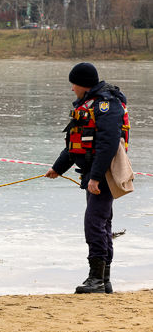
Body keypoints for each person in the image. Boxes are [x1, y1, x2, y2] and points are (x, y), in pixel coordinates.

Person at [45, 62, 129, 294]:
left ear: (82, 84)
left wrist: (96, 177)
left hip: (103, 174)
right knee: (102, 224)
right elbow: (76, 143)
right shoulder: (87, 105)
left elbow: (107, 144)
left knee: (94, 224)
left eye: (73, 83)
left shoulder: (106, 105)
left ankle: (96, 279)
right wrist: (57, 168)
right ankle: (104, 280)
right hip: (93, 173)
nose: (72, 88)